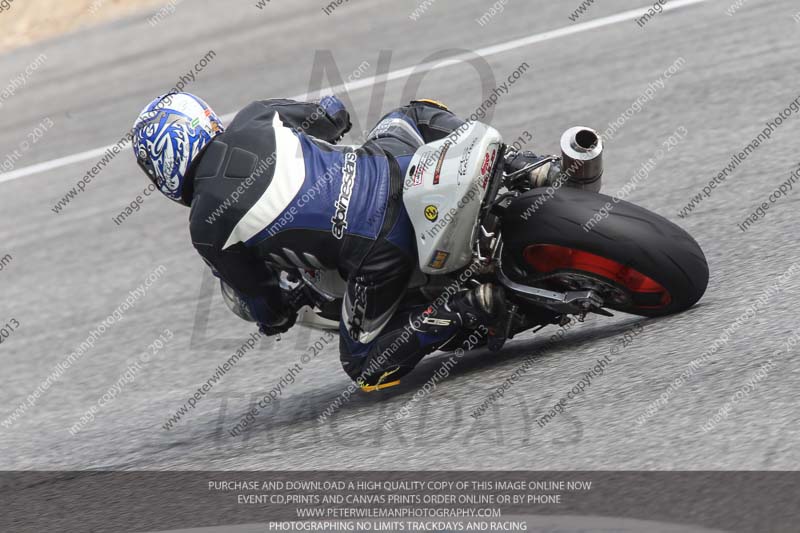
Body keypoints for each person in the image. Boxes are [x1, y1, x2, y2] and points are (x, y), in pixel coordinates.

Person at [131, 92, 557, 390]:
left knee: (363, 366)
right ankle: (526, 165)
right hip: (398, 166)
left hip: (379, 251)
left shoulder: (207, 228)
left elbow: (266, 304)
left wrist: (276, 316)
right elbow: (333, 113)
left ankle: (470, 306)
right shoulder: (257, 115)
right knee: (409, 112)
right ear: (202, 118)